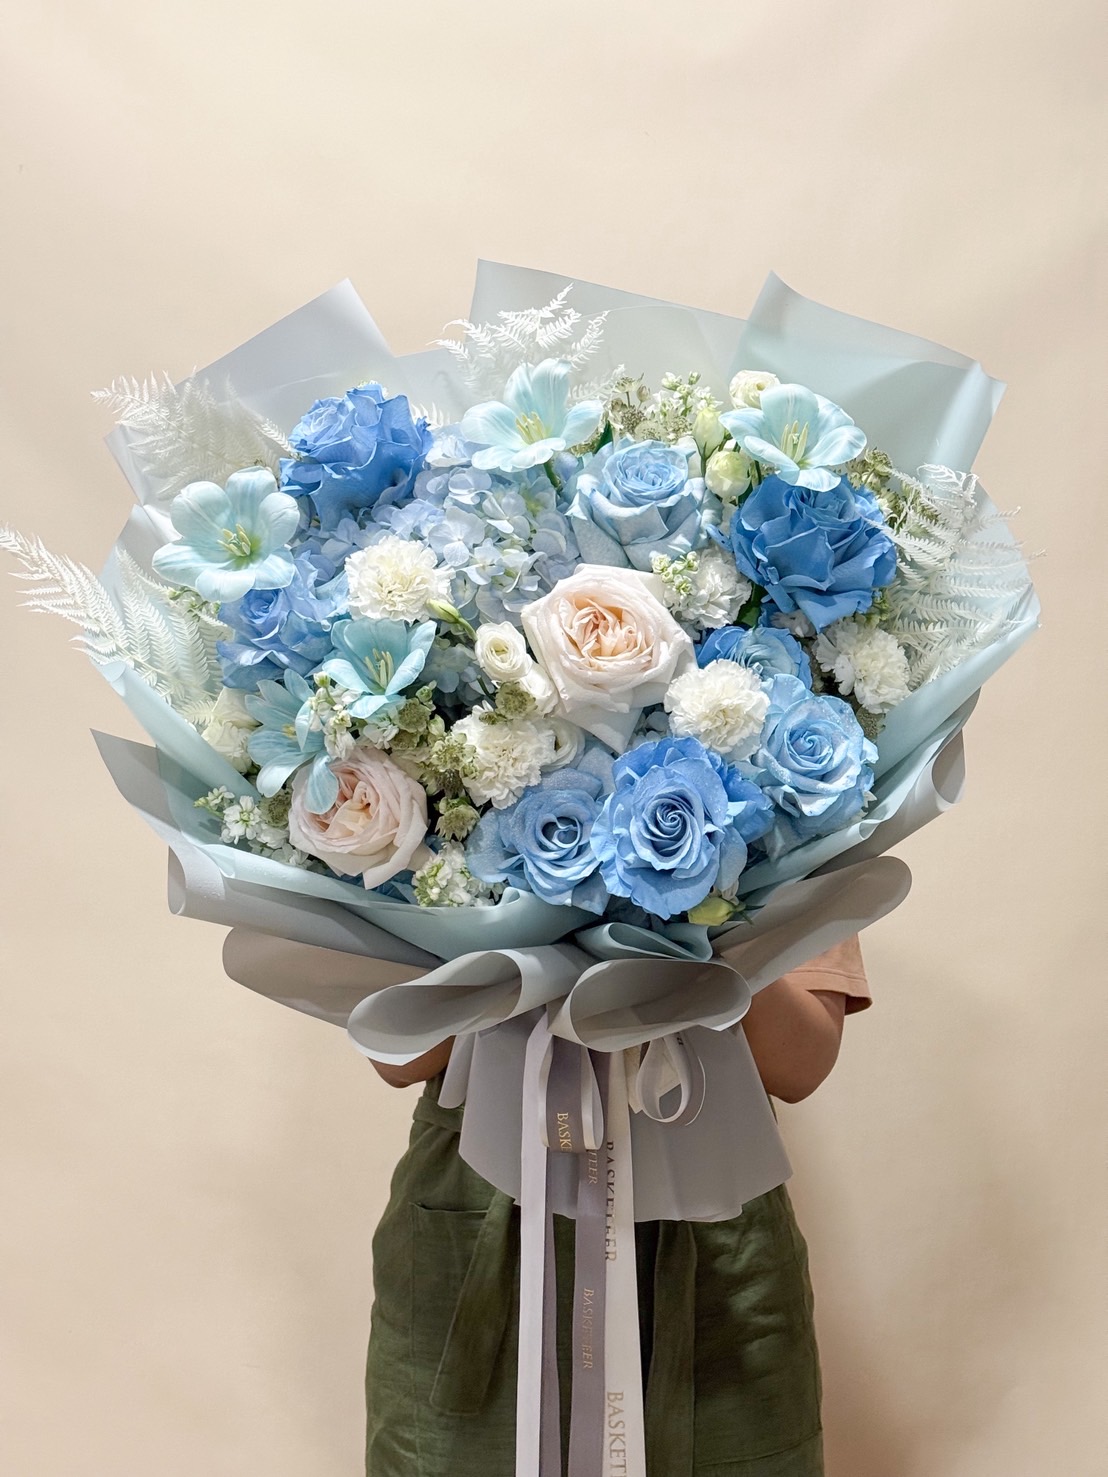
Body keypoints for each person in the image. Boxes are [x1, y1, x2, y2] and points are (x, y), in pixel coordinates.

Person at [363, 937, 870, 1477]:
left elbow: (800, 1065)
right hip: (482, 1202)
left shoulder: (788, 850)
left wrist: (697, 927)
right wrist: (506, 939)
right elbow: (399, 1058)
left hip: (712, 1219)